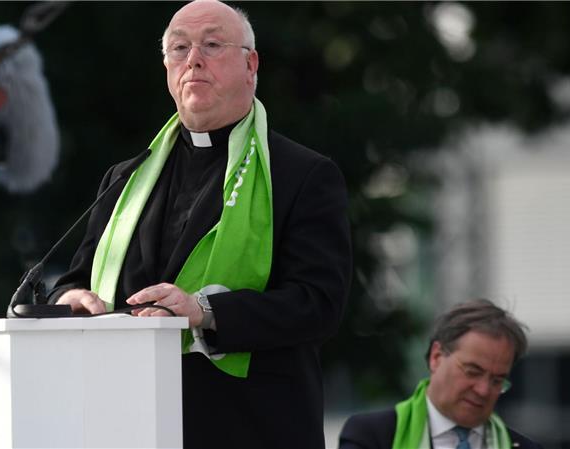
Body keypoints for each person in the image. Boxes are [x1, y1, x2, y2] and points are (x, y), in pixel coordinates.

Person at [45, 1, 351, 447]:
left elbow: (319, 304)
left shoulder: (301, 174)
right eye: (178, 48)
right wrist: (67, 298)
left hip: (248, 427)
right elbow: (75, 281)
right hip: (127, 423)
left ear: (251, 64)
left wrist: (205, 313)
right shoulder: (126, 178)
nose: (193, 60)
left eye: (211, 44)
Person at [339, 299, 541, 449]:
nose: (483, 390)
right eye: (472, 371)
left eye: (497, 381)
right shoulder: (371, 437)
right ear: (436, 357)